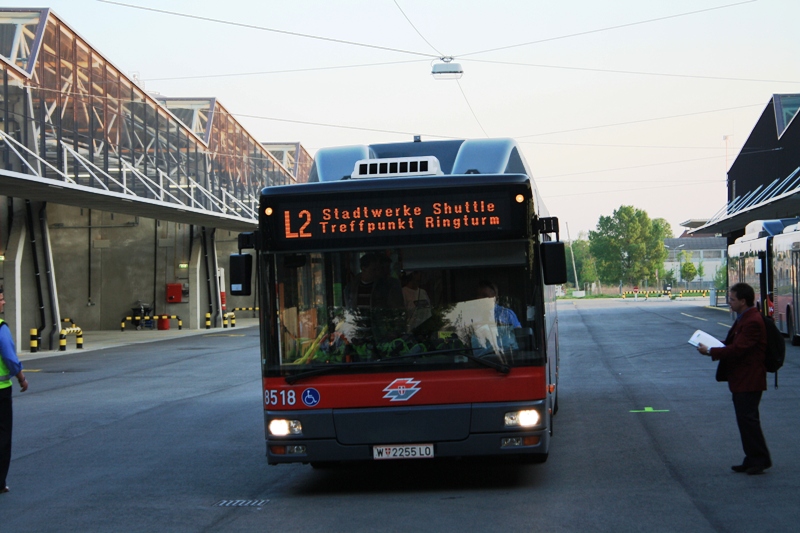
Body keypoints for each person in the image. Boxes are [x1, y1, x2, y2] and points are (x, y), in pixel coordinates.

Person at [696, 282, 771, 475]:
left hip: (749, 378)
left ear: (743, 301)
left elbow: (739, 349)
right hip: (742, 379)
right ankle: (751, 457)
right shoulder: (743, 318)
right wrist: (714, 345)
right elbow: (733, 344)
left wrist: (711, 350)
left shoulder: (752, 321)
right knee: (745, 420)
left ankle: (759, 459)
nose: (729, 303)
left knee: (748, 420)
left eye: (732, 299)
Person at [0, 287, 28, 494]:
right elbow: (10, 358)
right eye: (1, 299)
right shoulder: (1, 328)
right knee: (2, 437)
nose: (3, 303)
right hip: (1, 390)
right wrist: (21, 378)